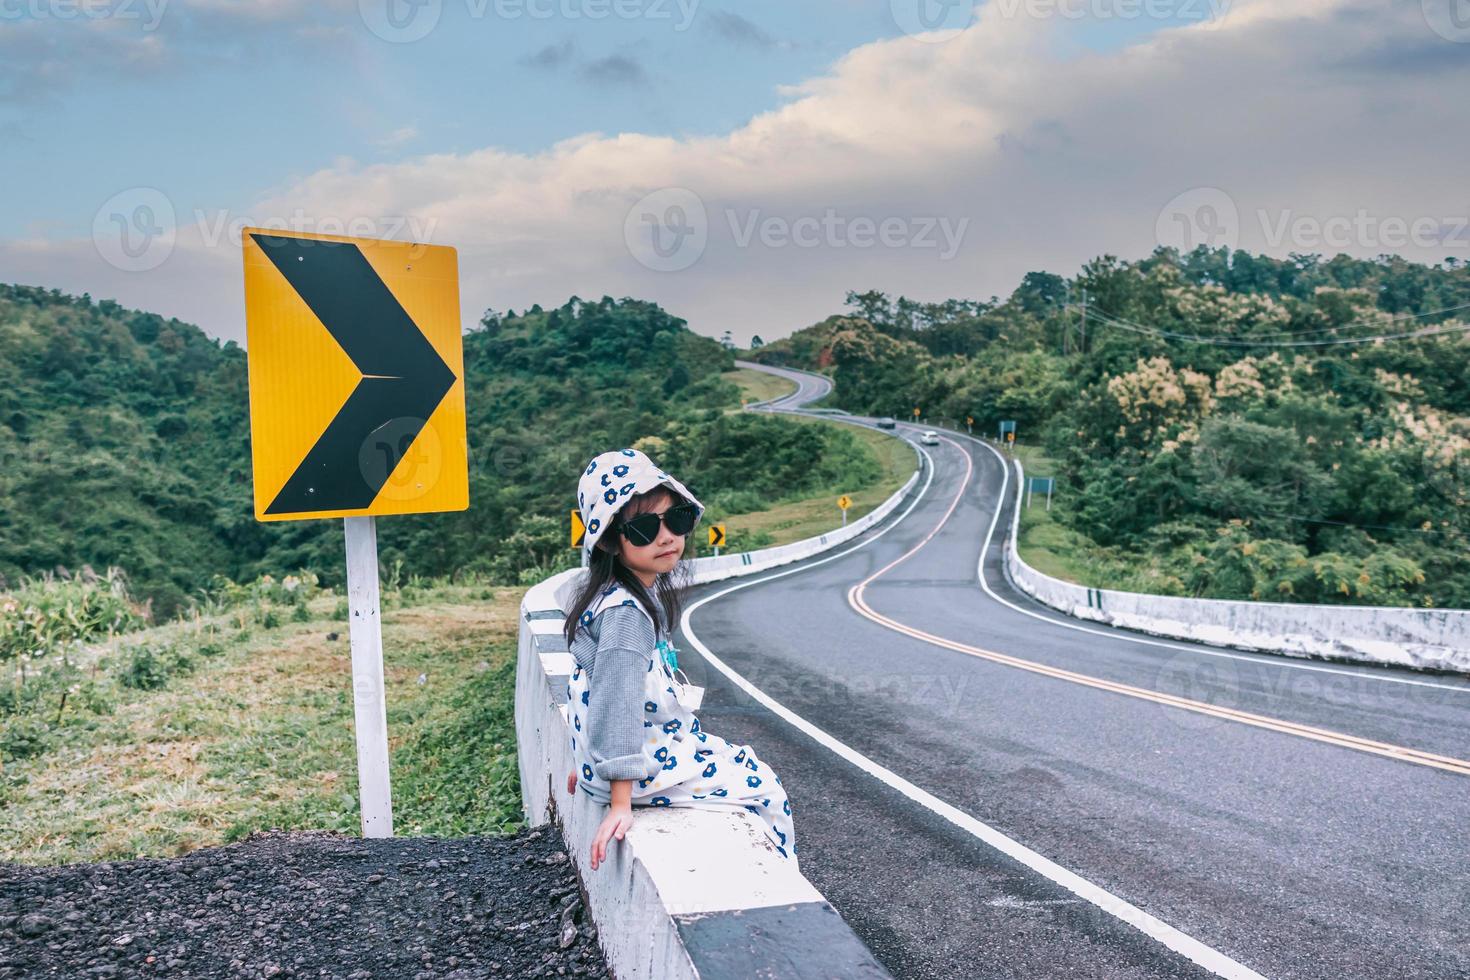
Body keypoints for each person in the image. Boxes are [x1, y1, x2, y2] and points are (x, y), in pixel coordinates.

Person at [561, 447, 797, 872]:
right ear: (613, 540)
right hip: (639, 765)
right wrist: (619, 802)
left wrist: (585, 761)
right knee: (764, 787)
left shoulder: (615, 595)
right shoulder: (627, 615)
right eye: (645, 528)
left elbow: (591, 682)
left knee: (738, 757)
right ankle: (782, 891)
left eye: (677, 520)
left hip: (628, 757)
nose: (666, 536)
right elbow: (616, 703)